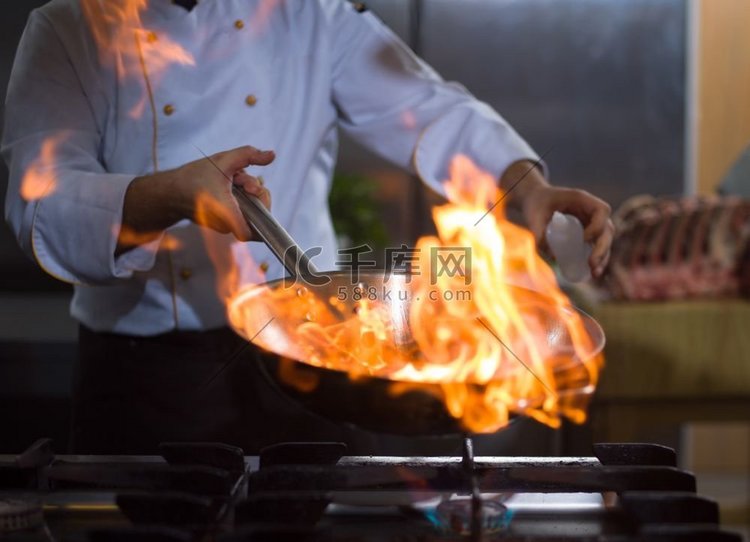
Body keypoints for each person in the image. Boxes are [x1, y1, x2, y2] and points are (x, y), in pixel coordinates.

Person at [2, 0, 614, 454]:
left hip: (306, 362)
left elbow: (433, 108)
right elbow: (41, 206)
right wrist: (168, 196)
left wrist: (527, 189)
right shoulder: (70, 28)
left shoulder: (306, 15)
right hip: (144, 377)